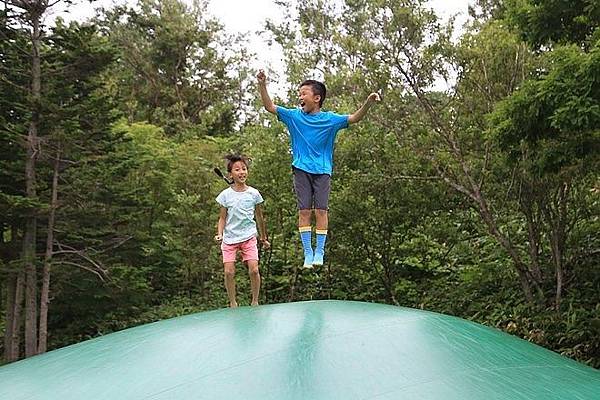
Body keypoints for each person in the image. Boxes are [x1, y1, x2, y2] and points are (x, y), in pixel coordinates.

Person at [257, 69, 380, 268]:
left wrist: (367, 102)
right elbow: (269, 106)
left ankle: (319, 251)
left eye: (303, 94)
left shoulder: (330, 120)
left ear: (317, 98)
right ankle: (308, 253)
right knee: (304, 211)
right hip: (300, 169)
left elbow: (354, 118)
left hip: (322, 171)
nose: (300, 97)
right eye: (299, 94)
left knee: (321, 211)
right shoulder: (294, 116)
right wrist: (262, 85)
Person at [215, 154, 270, 307]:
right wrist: (219, 233)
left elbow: (259, 217)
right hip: (230, 238)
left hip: (249, 236)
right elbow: (222, 218)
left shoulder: (254, 193)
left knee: (254, 269)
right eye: (237, 170)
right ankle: (233, 302)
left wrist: (264, 238)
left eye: (244, 169)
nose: (242, 172)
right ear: (230, 174)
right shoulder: (225, 195)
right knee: (229, 272)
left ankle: (255, 301)